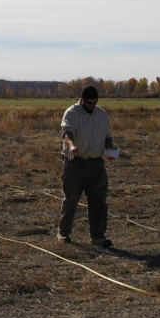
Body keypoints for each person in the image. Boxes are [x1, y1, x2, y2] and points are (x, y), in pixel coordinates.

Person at [57, 84, 117, 247]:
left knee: (99, 201)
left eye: (94, 103)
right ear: (82, 100)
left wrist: (110, 149)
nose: (92, 106)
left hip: (96, 163)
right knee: (71, 199)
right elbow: (67, 133)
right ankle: (64, 234)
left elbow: (107, 135)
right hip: (75, 161)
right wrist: (72, 146)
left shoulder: (102, 115)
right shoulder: (72, 113)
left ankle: (98, 236)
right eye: (89, 103)